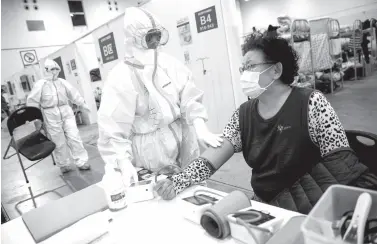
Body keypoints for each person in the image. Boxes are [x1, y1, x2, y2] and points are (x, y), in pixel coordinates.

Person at [154, 36, 377, 214]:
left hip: (313, 207)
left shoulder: (311, 103)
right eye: (242, 68)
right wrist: (179, 180)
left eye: (250, 66)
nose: (243, 74)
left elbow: (340, 164)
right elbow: (210, 160)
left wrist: (286, 207)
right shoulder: (243, 115)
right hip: (266, 206)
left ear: (276, 70)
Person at [97, 7, 222, 185]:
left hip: (183, 136)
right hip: (150, 149)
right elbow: (112, 126)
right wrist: (122, 162)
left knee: (192, 188)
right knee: (161, 193)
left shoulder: (169, 64)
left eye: (158, 35)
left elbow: (190, 97)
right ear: (134, 38)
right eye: (150, 36)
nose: (156, 41)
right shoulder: (121, 76)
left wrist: (200, 126)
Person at [27, 59, 91, 173]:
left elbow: (74, 94)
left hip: (66, 111)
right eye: (52, 69)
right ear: (46, 70)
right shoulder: (40, 84)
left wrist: (82, 104)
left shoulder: (62, 82)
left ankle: (82, 161)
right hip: (50, 113)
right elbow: (32, 101)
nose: (55, 71)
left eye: (56, 69)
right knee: (58, 141)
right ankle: (64, 164)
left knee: (74, 137)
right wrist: (35, 118)